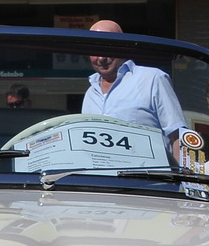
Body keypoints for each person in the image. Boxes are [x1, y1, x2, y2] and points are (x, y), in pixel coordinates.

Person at [79, 19, 185, 150]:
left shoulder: (152, 79)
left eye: (107, 47)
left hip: (147, 170)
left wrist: (182, 170)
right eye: (95, 49)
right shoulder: (90, 93)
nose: (101, 58)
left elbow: (178, 137)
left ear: (123, 46)